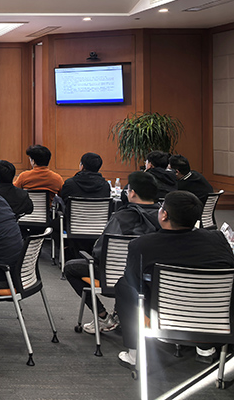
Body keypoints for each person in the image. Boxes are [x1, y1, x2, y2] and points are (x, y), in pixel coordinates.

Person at [115, 191, 234, 369]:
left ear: (164, 215)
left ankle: (134, 354)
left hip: (164, 316)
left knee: (124, 286)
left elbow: (133, 282)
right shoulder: (217, 239)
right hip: (215, 318)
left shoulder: (142, 245)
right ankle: (205, 347)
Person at [63, 171, 160, 334]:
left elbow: (100, 253)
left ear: (132, 193)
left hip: (114, 279)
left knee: (70, 268)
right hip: (152, 281)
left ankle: (102, 316)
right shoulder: (165, 218)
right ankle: (120, 313)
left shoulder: (121, 218)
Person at [60, 152, 112, 259]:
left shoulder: (70, 183)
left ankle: (66, 250)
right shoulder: (105, 186)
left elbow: (63, 200)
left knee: (54, 224)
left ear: (82, 166)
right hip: (98, 227)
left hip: (73, 226)